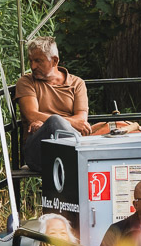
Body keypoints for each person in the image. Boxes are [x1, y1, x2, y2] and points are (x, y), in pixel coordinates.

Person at [13, 37, 88, 167]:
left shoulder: (77, 83)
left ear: (54, 61)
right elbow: (32, 115)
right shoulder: (26, 82)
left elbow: (81, 121)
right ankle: (84, 155)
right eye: (30, 61)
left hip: (69, 147)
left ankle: (82, 154)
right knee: (54, 121)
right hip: (38, 151)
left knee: (117, 127)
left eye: (38, 61)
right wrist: (50, 123)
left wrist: (43, 121)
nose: (32, 66)